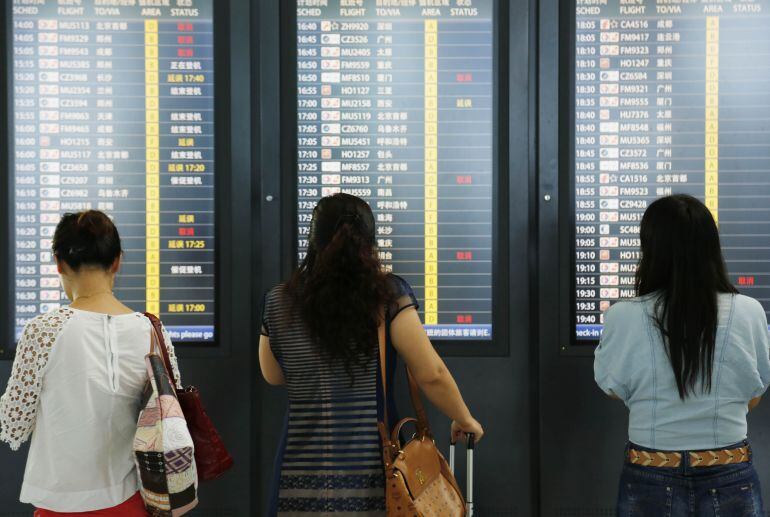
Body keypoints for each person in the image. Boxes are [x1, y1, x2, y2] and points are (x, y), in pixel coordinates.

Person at [259, 193, 483, 515]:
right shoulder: (387, 295)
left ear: (313, 238)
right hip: (372, 471)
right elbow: (430, 372)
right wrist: (464, 418)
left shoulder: (278, 300)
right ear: (369, 239)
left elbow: (273, 374)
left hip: (298, 470)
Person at [594, 194, 770, 516]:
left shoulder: (623, 315)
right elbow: (754, 394)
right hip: (730, 471)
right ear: (711, 248)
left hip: (648, 470)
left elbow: (613, 389)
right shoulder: (749, 312)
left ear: (650, 250)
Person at [0, 210, 182, 516]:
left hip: (59, 503)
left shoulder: (43, 330)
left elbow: (13, 424)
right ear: (117, 261)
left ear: (58, 263)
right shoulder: (151, 329)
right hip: (132, 498)